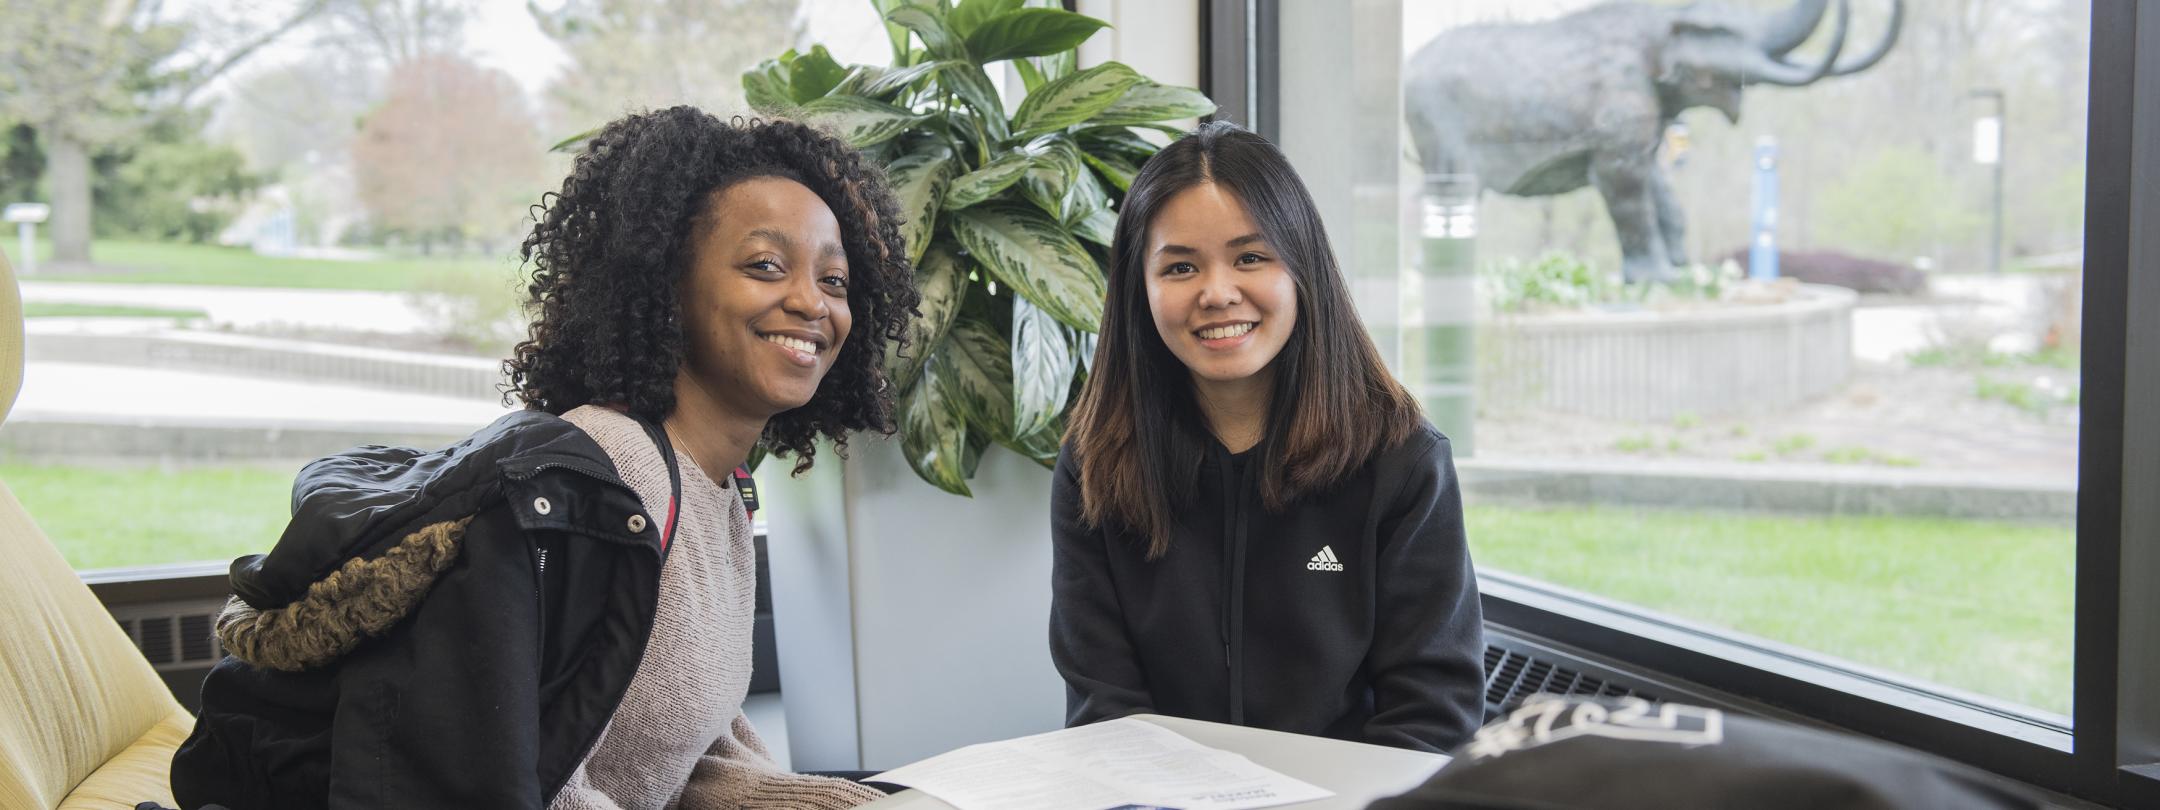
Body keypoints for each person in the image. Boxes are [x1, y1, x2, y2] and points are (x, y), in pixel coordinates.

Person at [169, 107, 919, 809]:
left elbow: (690, 745)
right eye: (764, 266)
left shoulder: (720, 488)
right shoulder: (607, 477)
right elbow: (520, 778)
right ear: (666, 286)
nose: (812, 303)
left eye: (834, 279)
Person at [1051, 121, 1485, 753]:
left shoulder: (1402, 458)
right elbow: (1103, 709)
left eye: (1251, 257)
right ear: (1138, 290)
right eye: (1179, 267)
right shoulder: (1097, 463)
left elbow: (1431, 718)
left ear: (1302, 269)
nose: (1217, 293)